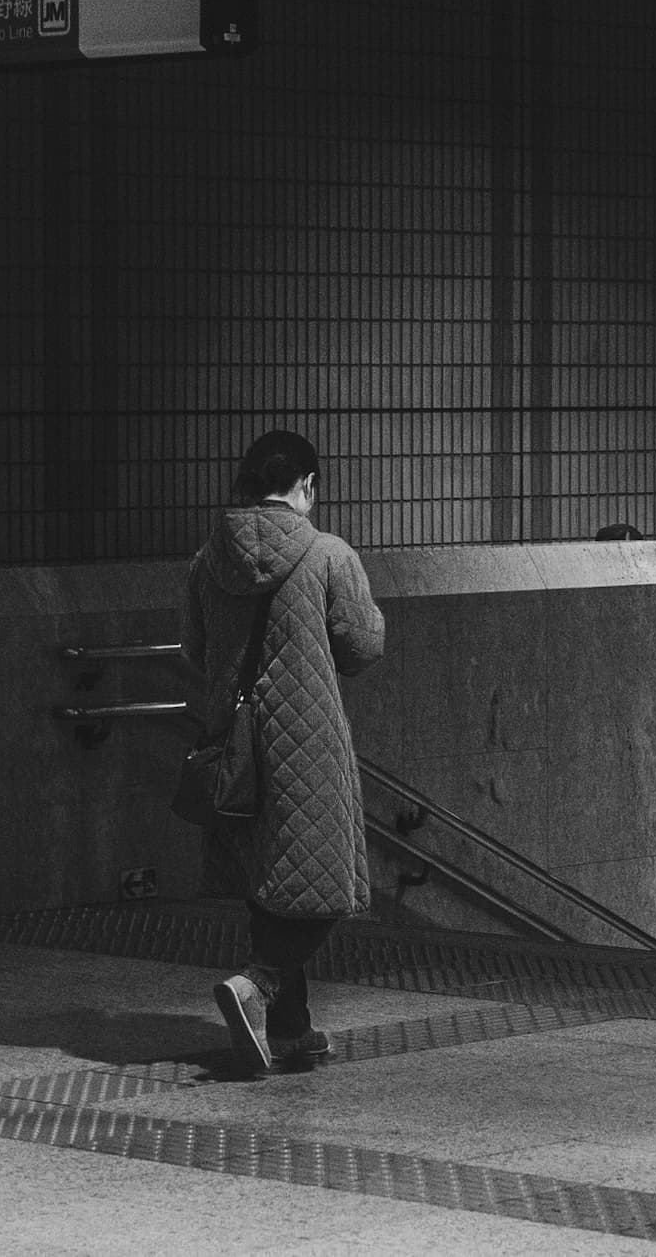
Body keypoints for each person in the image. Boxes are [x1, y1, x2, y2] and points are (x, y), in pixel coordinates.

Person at [180, 429, 385, 1072]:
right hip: (307, 743)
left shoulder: (208, 561)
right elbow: (361, 647)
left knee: (267, 883)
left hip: (234, 747)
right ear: (307, 485)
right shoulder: (327, 554)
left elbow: (195, 651)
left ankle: (290, 1030)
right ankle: (259, 984)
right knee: (325, 887)